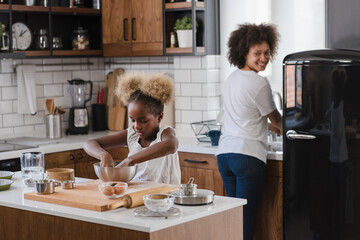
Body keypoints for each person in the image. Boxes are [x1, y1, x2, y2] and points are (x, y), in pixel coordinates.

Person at [216, 23, 282, 240]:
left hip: (225, 155)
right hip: (247, 157)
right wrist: (289, 128)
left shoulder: (231, 79)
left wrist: (268, 126)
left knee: (234, 218)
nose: (263, 58)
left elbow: (243, 116)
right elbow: (277, 119)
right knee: (244, 220)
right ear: (243, 53)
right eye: (257, 54)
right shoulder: (259, 83)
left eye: (266, 53)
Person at [83, 72, 181, 184]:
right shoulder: (131, 135)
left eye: (143, 121)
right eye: (133, 120)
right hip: (137, 194)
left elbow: (171, 145)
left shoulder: (165, 133)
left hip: (165, 198)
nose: (137, 126)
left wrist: (130, 160)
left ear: (160, 117)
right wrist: (103, 155)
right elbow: (89, 143)